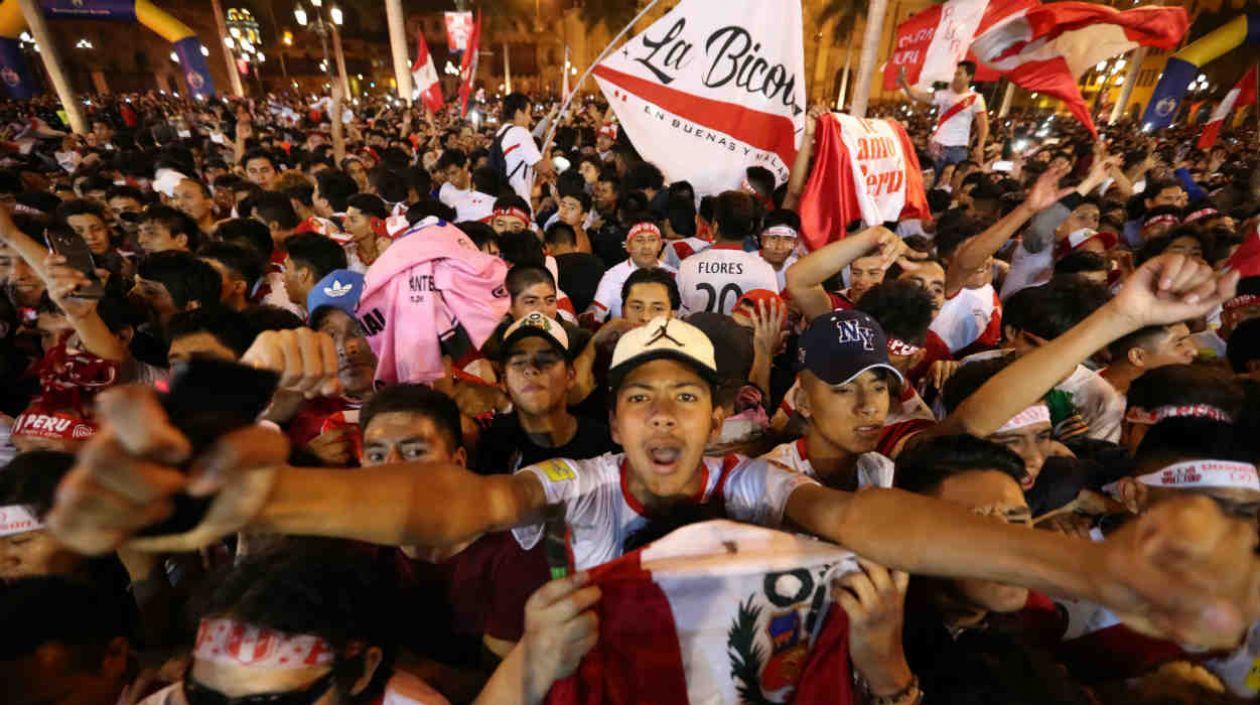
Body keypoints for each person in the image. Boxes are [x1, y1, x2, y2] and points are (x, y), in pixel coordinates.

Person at [47, 257, 1260, 654]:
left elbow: (863, 523)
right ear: (611, 419)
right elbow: (448, 502)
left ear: (722, 413)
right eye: (643, 401)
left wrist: (1096, 576)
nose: (666, 418)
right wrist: (274, 490)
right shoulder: (575, 485)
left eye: (689, 396)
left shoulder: (753, 480)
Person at [475, 312, 614, 475]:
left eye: (546, 360)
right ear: (504, 382)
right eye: (519, 362)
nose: (531, 369)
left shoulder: (605, 445)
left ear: (569, 376)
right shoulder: (491, 445)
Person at [676, 191, 778, 315]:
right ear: (750, 227)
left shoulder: (687, 266)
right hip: (743, 334)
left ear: (715, 226)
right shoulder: (764, 269)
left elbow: (678, 313)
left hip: (695, 333)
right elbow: (771, 316)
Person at [899, 62, 989, 176]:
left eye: (959, 74)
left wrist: (980, 147)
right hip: (937, 147)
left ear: (969, 77)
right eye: (955, 73)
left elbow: (984, 126)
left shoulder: (977, 98)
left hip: (958, 151)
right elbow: (917, 95)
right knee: (928, 182)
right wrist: (904, 83)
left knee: (949, 187)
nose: (955, 77)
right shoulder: (943, 94)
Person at [583, 220, 675, 324]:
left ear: (660, 245)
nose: (646, 246)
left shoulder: (673, 274)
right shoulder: (613, 276)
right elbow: (597, 312)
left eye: (652, 240)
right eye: (640, 240)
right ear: (628, 246)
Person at [494, 93, 551, 205]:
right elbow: (544, 169)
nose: (530, 119)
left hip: (504, 200)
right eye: (529, 113)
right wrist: (548, 149)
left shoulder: (500, 133)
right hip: (518, 203)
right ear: (519, 113)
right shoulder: (519, 133)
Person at [282, 233, 348, 318]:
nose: (282, 278)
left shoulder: (329, 327)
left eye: (285, 268)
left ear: (303, 275)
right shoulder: (340, 316)